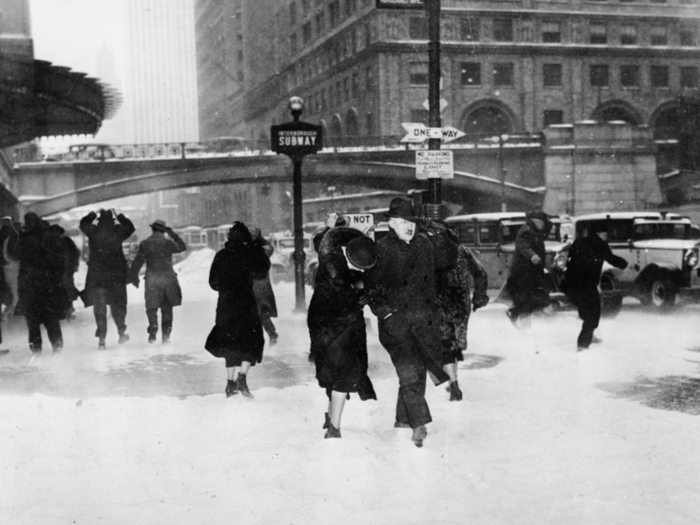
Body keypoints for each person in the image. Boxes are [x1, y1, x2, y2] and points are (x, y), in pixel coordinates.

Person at [365, 197, 450, 448]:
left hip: (423, 320)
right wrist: (387, 313)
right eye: (402, 221)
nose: (408, 226)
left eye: (411, 221)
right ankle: (419, 425)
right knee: (410, 372)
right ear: (390, 223)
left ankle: (403, 420)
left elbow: (447, 261)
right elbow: (371, 289)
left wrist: (438, 232)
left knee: (418, 372)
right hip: (396, 324)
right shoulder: (381, 249)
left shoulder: (425, 242)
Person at [308, 228, 378, 439]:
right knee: (344, 376)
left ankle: (331, 418)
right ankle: (334, 428)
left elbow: (341, 275)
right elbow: (344, 282)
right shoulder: (334, 262)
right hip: (343, 327)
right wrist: (361, 238)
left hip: (323, 328)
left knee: (332, 373)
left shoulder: (327, 265)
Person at [205, 222, 270, 398]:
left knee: (230, 343)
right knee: (251, 340)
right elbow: (262, 271)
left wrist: (226, 286)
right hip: (246, 305)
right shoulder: (249, 254)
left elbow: (213, 283)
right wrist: (256, 247)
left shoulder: (221, 255)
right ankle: (242, 377)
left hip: (226, 306)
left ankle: (229, 383)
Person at [436, 233, 490, 401]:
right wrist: (479, 297)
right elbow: (481, 273)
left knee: (445, 344)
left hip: (440, 303)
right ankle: (454, 381)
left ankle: (453, 382)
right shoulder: (464, 251)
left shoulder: (429, 251)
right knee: (454, 344)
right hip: (460, 304)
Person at [563, 224, 628, 351]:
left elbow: (569, 261)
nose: (606, 236)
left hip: (571, 283)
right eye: (605, 233)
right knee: (593, 314)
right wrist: (624, 264)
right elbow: (611, 259)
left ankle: (590, 335)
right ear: (599, 234)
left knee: (586, 311)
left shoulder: (578, 242)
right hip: (586, 284)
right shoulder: (600, 244)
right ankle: (583, 344)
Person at [79, 209, 135, 349]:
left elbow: (82, 224)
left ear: (99, 220)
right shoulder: (118, 231)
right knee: (118, 305)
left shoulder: (93, 232)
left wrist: (92, 214)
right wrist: (119, 215)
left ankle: (102, 338)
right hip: (116, 276)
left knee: (100, 307)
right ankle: (121, 333)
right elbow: (130, 227)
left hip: (98, 277)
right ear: (112, 220)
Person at [15, 213, 68, 354]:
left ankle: (36, 350)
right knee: (51, 318)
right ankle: (57, 345)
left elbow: (15, 256)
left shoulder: (23, 239)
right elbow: (59, 260)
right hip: (47, 283)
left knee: (32, 321)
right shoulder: (48, 237)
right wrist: (57, 279)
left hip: (29, 284)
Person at [128, 219, 186, 344]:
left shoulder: (145, 243)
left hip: (152, 278)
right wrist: (172, 234)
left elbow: (138, 261)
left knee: (151, 306)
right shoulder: (168, 242)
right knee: (167, 309)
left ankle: (153, 325)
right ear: (163, 230)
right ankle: (165, 337)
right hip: (168, 279)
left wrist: (134, 277)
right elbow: (182, 247)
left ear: (152, 229)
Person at [505, 209, 553, 328]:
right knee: (530, 298)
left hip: (532, 272)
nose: (543, 225)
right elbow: (524, 246)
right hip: (524, 272)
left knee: (531, 298)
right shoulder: (526, 230)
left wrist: (548, 221)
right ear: (535, 221)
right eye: (542, 222)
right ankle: (520, 320)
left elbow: (547, 229)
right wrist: (532, 256)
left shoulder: (536, 231)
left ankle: (516, 314)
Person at [249, 227, 278, 347]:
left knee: (260, 312)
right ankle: (269, 335)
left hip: (258, 283)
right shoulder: (259, 248)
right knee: (259, 312)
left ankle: (269, 335)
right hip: (257, 283)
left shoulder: (258, 249)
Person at [48, 224, 81, 320]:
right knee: (65, 289)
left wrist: (73, 266)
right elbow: (75, 253)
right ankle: (67, 310)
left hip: (63, 270)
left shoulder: (62, 241)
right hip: (61, 271)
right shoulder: (64, 241)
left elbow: (74, 253)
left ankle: (68, 310)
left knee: (66, 289)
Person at [0, 217, 20, 317]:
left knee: (9, 288)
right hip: (12, 265)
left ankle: (10, 308)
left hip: (5, 265)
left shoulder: (5, 235)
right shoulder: (14, 234)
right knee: (14, 288)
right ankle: (12, 309)